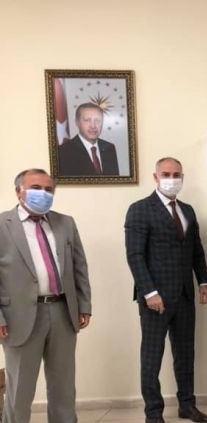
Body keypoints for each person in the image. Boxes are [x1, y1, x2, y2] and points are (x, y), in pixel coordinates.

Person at [0, 168, 92, 423]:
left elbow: (79, 266)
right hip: (18, 317)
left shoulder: (66, 223)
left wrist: (84, 304)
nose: (43, 193)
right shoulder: (2, 225)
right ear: (18, 191)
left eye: (49, 189)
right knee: (20, 388)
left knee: (64, 385)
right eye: (36, 188)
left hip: (63, 312)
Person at [125, 157, 207, 423]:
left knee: (185, 354)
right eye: (166, 174)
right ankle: (153, 412)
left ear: (182, 178)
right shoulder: (140, 209)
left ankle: (187, 405)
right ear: (156, 177)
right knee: (152, 356)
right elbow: (135, 256)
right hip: (156, 298)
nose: (171, 179)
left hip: (185, 295)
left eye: (176, 174)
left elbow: (196, 250)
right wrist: (149, 292)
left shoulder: (187, 210)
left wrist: (204, 281)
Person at [57, 103, 119, 176]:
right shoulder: (63, 152)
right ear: (77, 122)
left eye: (98, 120)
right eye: (87, 120)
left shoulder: (109, 148)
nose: (93, 126)